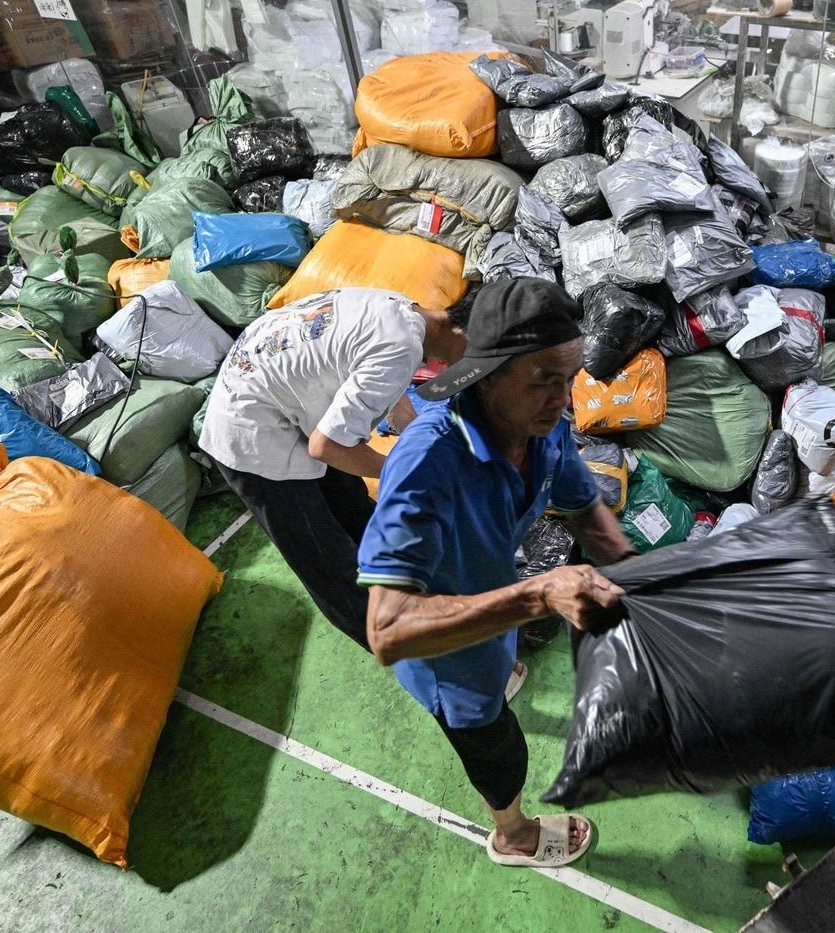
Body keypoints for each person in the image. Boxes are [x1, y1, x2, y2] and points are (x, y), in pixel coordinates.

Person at [357, 278, 637, 868]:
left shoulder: (542, 426)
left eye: (569, 380)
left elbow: (582, 502)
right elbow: (387, 631)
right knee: (496, 743)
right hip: (447, 651)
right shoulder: (427, 462)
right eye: (543, 381)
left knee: (501, 667)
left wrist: (643, 575)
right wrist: (538, 595)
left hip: (491, 604)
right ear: (485, 375)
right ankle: (512, 834)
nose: (562, 399)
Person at [198, 287, 469, 651]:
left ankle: (422, 600)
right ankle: (428, 658)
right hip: (252, 437)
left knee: (358, 514)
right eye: (478, 357)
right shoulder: (401, 345)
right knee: (330, 563)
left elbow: (386, 387)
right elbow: (326, 447)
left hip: (292, 410)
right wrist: (401, 470)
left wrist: (420, 443)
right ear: (465, 333)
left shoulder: (404, 311)